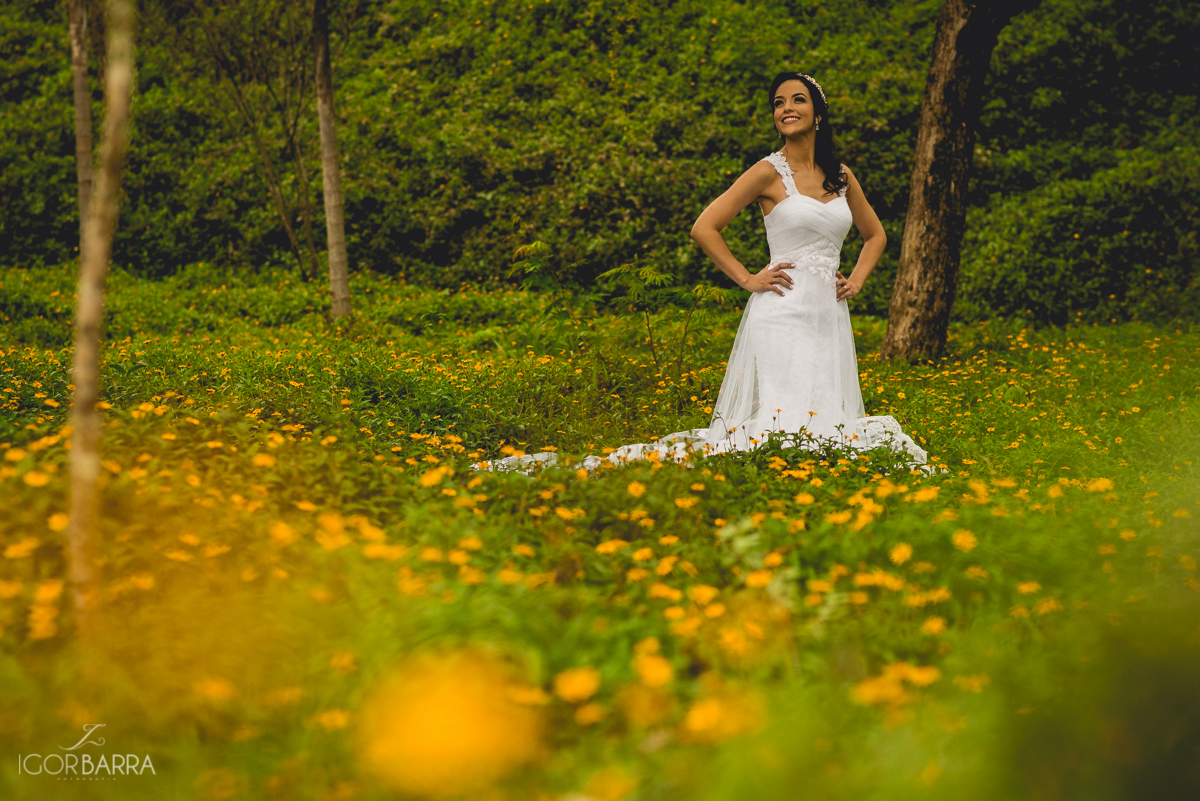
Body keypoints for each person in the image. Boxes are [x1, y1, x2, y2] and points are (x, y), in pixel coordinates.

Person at [482, 71, 926, 473]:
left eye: (797, 100)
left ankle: (816, 481)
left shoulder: (842, 177)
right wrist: (749, 279)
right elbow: (705, 227)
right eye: (778, 103)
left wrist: (858, 279)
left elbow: (876, 235)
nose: (786, 108)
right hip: (783, 312)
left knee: (825, 415)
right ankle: (774, 481)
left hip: (828, 317)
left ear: (818, 114)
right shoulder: (768, 172)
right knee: (786, 416)